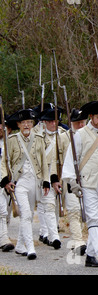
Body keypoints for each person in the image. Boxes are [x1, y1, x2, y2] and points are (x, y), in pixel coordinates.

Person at [62, 101, 98, 269]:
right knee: (93, 217)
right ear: (91, 117)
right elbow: (71, 158)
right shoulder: (80, 134)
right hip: (87, 182)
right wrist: (72, 181)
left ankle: (90, 256)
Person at [0, 109, 55, 260]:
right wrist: (5, 179)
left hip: (35, 182)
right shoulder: (11, 140)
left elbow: (44, 162)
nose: (26, 125)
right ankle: (30, 248)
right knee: (25, 214)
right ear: (18, 124)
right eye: (23, 122)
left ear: (32, 124)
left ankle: (19, 246)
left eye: (29, 122)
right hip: (19, 183)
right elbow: (4, 161)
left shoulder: (38, 138)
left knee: (29, 215)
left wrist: (45, 180)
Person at [58, 108, 88, 255]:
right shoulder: (64, 138)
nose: (81, 126)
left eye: (82, 122)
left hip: (87, 179)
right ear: (71, 123)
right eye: (77, 123)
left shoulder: (89, 136)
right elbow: (55, 160)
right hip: (70, 178)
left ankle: (80, 237)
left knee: (85, 211)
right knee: (74, 211)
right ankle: (77, 240)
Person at [37, 106, 64, 249]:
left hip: (61, 174)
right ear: (45, 122)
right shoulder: (38, 136)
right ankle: (53, 236)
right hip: (44, 174)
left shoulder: (64, 135)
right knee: (47, 205)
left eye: (56, 121)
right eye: (50, 121)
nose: (53, 124)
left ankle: (46, 232)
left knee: (56, 206)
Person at [0, 112, 14, 252]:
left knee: (7, 212)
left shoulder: (12, 143)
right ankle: (3, 239)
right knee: (2, 211)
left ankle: (4, 235)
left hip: (8, 182)